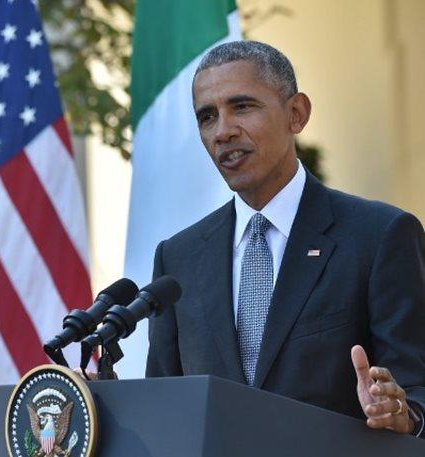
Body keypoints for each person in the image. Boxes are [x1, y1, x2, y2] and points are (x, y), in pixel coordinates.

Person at [146, 41, 425, 437]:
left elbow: (416, 390)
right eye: (207, 117)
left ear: (296, 114)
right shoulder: (178, 258)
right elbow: (164, 405)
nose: (223, 131)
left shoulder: (379, 236)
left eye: (242, 107)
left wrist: (401, 412)